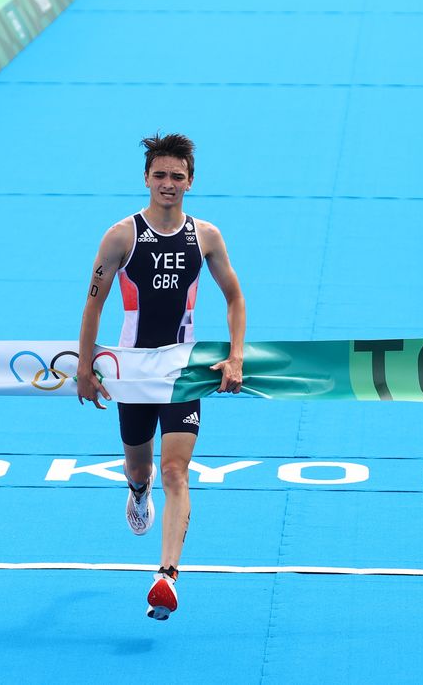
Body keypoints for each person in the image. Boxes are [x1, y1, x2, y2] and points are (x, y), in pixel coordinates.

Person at [77, 133, 246, 621]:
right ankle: (136, 492)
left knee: (176, 470)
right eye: (160, 175)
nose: (168, 183)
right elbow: (94, 303)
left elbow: (235, 297)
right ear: (146, 179)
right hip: (131, 371)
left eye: (177, 176)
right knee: (141, 469)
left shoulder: (206, 237)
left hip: (183, 370)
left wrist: (234, 358)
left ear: (190, 181)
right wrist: (86, 368)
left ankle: (167, 576)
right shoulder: (121, 237)